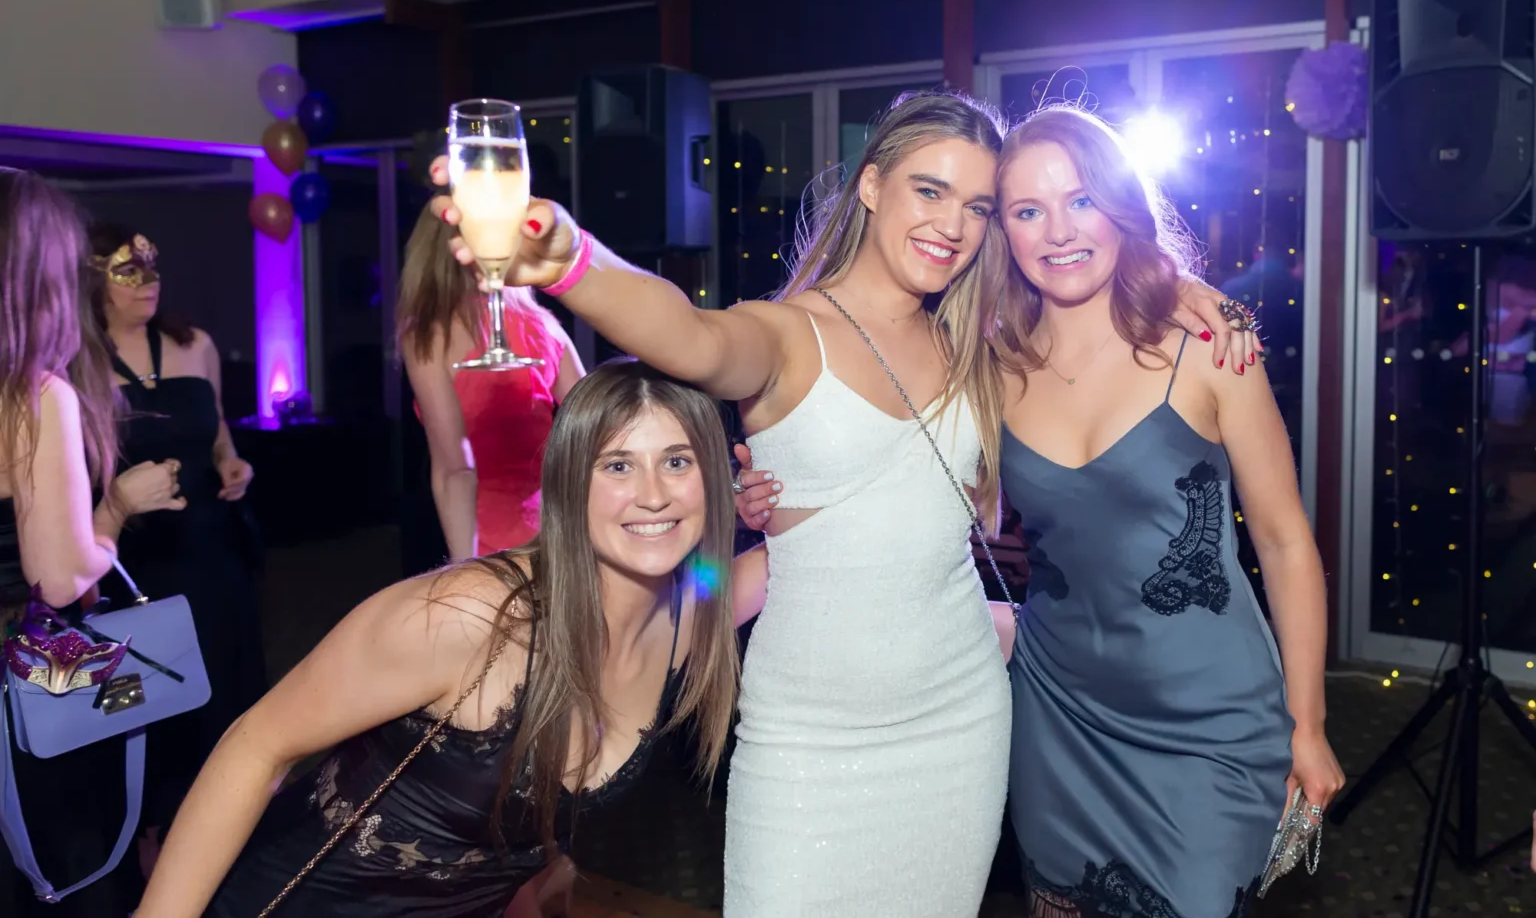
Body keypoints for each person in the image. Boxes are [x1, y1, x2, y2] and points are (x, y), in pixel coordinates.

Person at [427, 90, 1251, 915]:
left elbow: (1005, 477)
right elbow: (688, 334)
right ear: (870, 186)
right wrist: (571, 258)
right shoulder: (787, 335)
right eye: (929, 191)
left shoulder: (978, 345)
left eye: (976, 206)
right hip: (809, 743)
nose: (952, 226)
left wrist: (1180, 291)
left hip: (959, 726)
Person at [134, 360, 742, 917]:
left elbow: (812, 540)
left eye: (678, 461)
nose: (654, 493)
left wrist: (767, 506)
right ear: (567, 482)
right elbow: (256, 744)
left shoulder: (691, 616)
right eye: (617, 465)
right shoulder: (470, 616)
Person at [986, 106, 1340, 915]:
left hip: (1209, 726)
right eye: (1027, 211)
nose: (1058, 231)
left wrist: (1309, 721)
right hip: (1060, 714)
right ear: (1002, 230)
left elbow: (1286, 544)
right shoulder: (993, 367)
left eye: (1080, 200)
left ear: (1119, 204)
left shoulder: (1211, 348)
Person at [0, 170, 183, 917]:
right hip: (33, 679)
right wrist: (111, 517)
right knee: (70, 871)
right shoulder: (35, 393)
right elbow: (60, 577)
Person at [86, 220, 268, 874]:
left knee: (224, 703)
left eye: (153, 268)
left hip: (211, 558)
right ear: (92, 281)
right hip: (135, 568)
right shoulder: (77, 363)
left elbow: (218, 431)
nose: (147, 283)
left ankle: (219, 844)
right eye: (127, 271)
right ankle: (146, 854)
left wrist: (232, 463)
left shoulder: (194, 345)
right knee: (146, 716)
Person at [398, 205, 585, 559]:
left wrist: (463, 570)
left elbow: (456, 469)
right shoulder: (543, 323)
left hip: (484, 539)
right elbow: (596, 424)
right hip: (558, 532)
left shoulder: (428, 335)